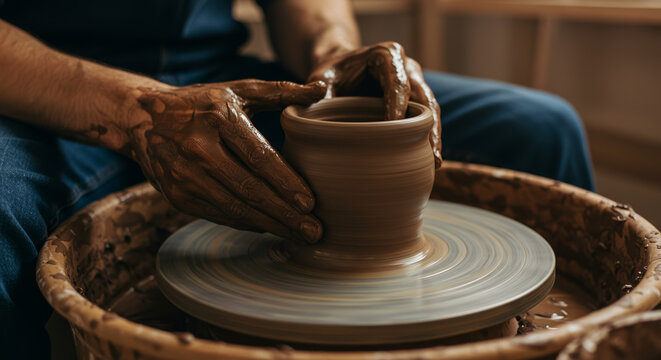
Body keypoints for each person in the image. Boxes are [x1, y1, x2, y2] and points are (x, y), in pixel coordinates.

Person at [0, 0, 594, 357]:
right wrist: (135, 108)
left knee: (541, 128)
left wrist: (332, 51)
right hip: (45, 91)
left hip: (214, 76)